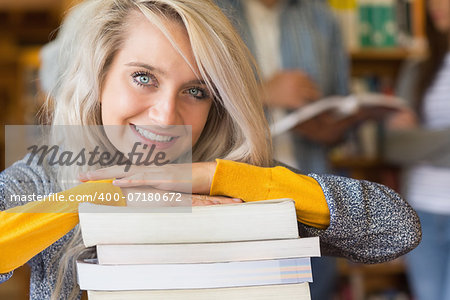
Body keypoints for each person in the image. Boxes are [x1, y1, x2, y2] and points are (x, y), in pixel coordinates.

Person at [0, 0, 420, 299]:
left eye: (196, 90)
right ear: (99, 78)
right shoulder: (45, 174)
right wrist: (100, 196)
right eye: (144, 77)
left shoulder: (238, 180)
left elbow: (396, 229)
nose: (166, 116)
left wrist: (221, 176)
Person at [214, 1, 352, 298]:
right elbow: (196, 100)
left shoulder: (322, 17)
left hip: (309, 191)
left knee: (315, 290)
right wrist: (263, 92)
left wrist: (333, 125)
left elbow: (341, 106)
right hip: (237, 196)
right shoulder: (214, 9)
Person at [384, 0, 450, 299]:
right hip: (420, 212)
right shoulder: (418, 68)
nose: (435, 4)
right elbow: (395, 146)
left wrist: (421, 140)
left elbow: (411, 142)